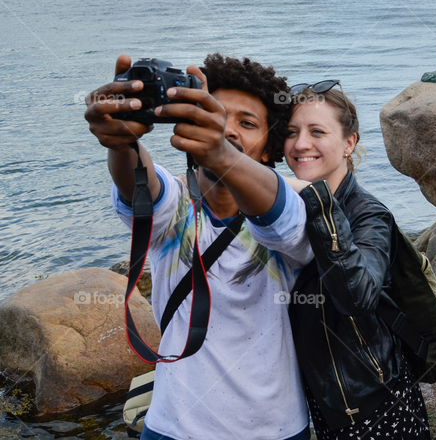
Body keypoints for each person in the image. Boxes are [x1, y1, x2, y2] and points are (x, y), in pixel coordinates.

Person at [85, 54, 312, 440]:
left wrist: (220, 152)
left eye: (247, 123)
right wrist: (122, 142)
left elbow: (284, 222)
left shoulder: (293, 208)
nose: (229, 131)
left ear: (269, 149)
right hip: (173, 427)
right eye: (217, 117)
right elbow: (141, 186)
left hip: (277, 430)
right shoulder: (175, 209)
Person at [282, 81, 431, 440]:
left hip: (376, 404)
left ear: (350, 143)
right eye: (291, 133)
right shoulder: (286, 211)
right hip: (325, 404)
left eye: (317, 131)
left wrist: (319, 205)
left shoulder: (369, 216)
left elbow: (357, 296)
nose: (301, 144)